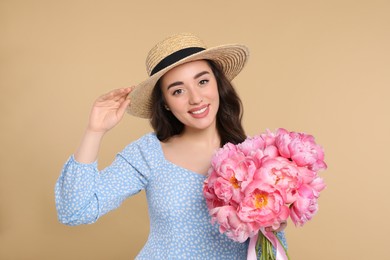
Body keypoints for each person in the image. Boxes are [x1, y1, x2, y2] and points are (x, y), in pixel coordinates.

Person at [55, 32, 287, 259]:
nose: (195, 98)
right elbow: (75, 211)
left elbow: (269, 250)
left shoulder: (255, 158)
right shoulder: (148, 153)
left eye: (203, 81)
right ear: (165, 103)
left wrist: (273, 224)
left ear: (218, 84)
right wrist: (94, 131)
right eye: (178, 90)